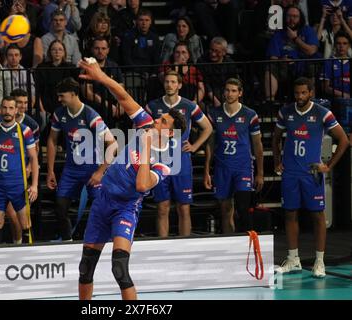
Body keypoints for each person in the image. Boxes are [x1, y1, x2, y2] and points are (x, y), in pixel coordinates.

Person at [76, 59, 187, 300]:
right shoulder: (146, 123)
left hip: (125, 208)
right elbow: (124, 97)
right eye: (159, 118)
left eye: (163, 121)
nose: (156, 120)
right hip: (103, 200)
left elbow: (141, 185)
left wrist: (146, 147)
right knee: (85, 268)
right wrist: (101, 77)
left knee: (119, 269)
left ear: (169, 132)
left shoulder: (165, 162)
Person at [272, 77, 349, 278]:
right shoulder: (286, 112)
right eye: (297, 93)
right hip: (290, 173)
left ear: (311, 93)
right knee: (290, 214)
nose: (299, 97)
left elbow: (343, 140)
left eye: (303, 93)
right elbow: (276, 137)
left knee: (318, 217)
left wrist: (328, 165)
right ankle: (293, 259)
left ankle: (319, 261)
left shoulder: (323, 113)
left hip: (312, 173)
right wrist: (277, 160)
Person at [46, 77, 116, 241]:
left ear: (73, 94)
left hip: (92, 168)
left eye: (62, 95)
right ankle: (68, 241)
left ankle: (104, 240)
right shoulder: (59, 113)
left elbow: (113, 145)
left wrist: (100, 171)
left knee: (101, 207)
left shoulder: (90, 115)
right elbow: (52, 140)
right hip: (71, 169)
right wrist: (50, 171)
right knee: (60, 207)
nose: (59, 99)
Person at [145, 70, 212, 237]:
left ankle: (185, 247)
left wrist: (195, 146)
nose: (170, 85)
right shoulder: (153, 106)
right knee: (162, 207)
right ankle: (162, 245)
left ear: (180, 85)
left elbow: (208, 127)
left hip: (181, 162)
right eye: (167, 81)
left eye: (173, 82)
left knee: (184, 207)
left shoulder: (189, 106)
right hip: (160, 162)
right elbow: (137, 127)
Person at [0, 95, 39, 245]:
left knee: (25, 225)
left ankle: (27, 258)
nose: (7, 111)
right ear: (0, 109)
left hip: (18, 185)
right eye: (5, 107)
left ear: (16, 110)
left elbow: (34, 158)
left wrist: (34, 185)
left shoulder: (25, 131)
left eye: (11, 108)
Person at [204, 78, 264, 234]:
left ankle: (248, 248)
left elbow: (257, 144)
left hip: (243, 167)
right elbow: (210, 144)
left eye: (233, 91)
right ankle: (229, 244)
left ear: (240, 93)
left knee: (243, 208)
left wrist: (260, 173)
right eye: (227, 90)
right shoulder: (214, 113)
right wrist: (206, 171)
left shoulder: (250, 114)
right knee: (225, 210)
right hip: (222, 167)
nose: (229, 94)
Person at [264, 5, 319, 101]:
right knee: (270, 66)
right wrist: (282, 60)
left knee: (311, 66)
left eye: (295, 16)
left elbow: (311, 51)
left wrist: (295, 38)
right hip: (284, 67)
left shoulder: (307, 30)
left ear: (300, 18)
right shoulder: (279, 33)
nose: (291, 19)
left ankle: (311, 102)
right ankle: (270, 103)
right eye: (289, 16)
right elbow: (273, 57)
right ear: (285, 17)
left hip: (303, 65)